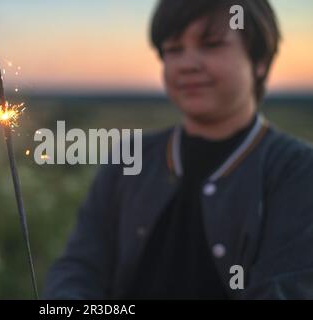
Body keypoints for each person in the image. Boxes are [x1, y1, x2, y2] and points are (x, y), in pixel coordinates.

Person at [43, 0, 313, 299]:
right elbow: (79, 267)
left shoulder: (297, 170)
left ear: (259, 61)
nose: (187, 63)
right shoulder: (129, 158)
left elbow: (286, 288)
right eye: (173, 49)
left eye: (211, 44)